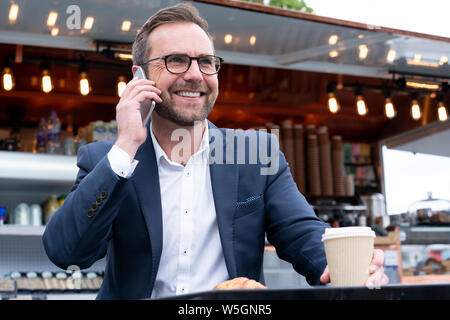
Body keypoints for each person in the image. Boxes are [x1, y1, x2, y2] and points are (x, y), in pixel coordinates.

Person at [43, 3, 388, 300]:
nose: (195, 75)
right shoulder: (109, 160)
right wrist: (126, 146)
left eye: (206, 62)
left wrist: (337, 262)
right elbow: (66, 252)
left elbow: (301, 231)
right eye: (176, 60)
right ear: (139, 76)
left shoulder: (255, 154)